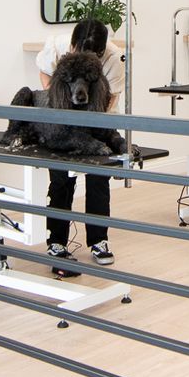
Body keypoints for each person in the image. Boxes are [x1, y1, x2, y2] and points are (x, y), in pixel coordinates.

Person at [36, 19, 124, 276]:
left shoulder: (114, 57)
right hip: (61, 118)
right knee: (60, 180)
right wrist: (61, 103)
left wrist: (89, 123)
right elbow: (44, 73)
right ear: (72, 45)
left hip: (98, 116)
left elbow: (112, 95)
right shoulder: (56, 44)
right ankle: (57, 242)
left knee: (99, 177)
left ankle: (98, 241)